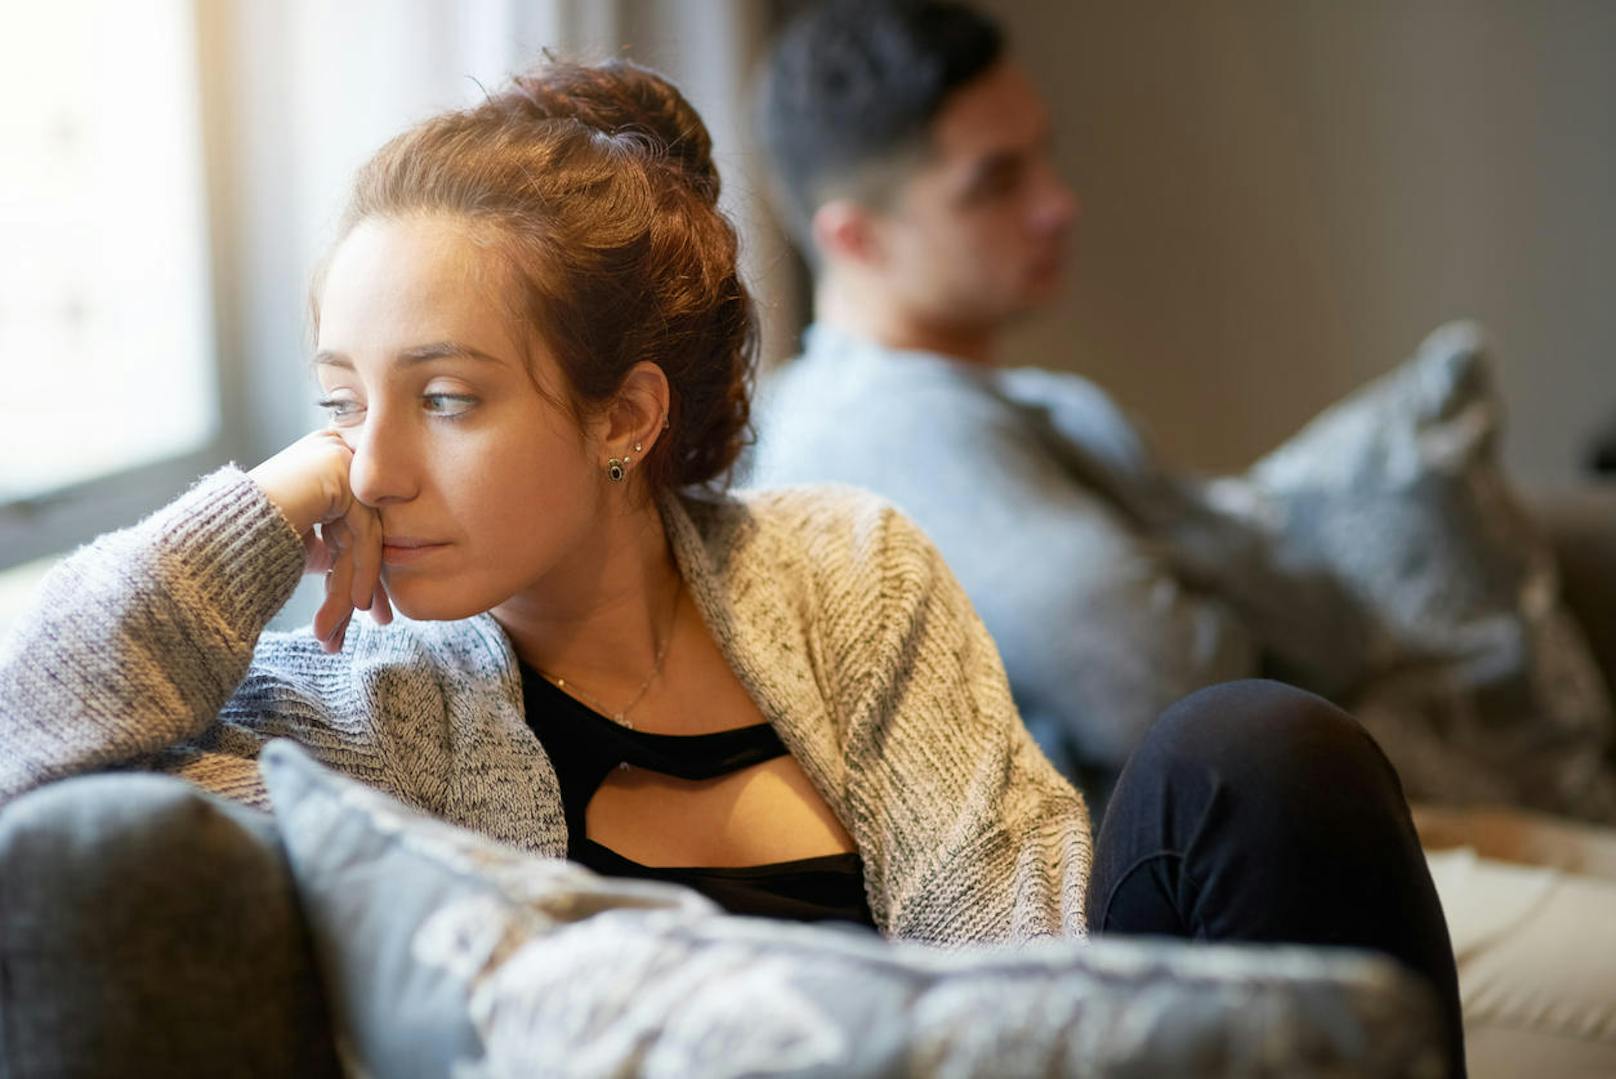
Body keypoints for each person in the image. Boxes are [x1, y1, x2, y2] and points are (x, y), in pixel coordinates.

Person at [0, 58, 1463, 1070]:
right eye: (338, 403)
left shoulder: (845, 570)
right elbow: (31, 756)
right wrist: (267, 500)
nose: (369, 469)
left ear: (624, 417)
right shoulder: (339, 691)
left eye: (443, 398)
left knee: (1255, 754)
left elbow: (1017, 958)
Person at [749, 0, 1385, 804]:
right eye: (996, 181)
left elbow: (1337, 635)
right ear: (856, 240)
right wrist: (1202, 545)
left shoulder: (1049, 405)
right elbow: (1174, 691)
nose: (1058, 204)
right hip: (1205, 883)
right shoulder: (881, 430)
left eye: (1041, 157)